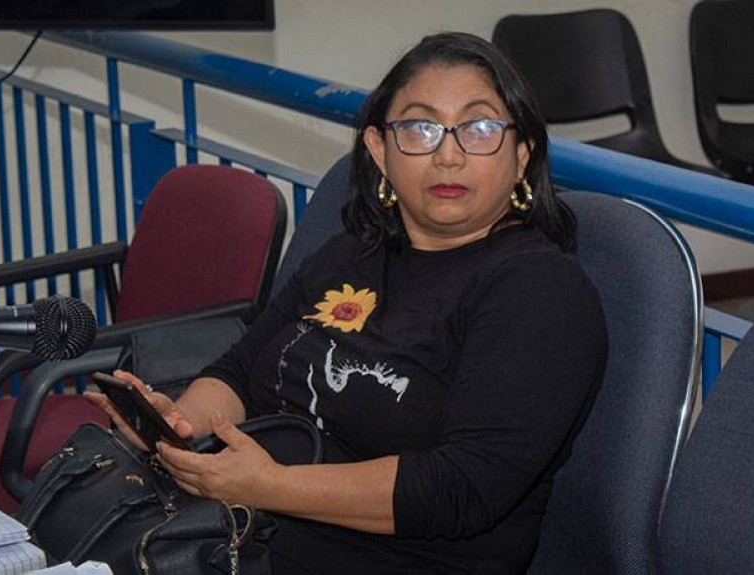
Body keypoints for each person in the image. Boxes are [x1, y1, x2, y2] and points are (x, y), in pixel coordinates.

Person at [87, 31, 607, 574]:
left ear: (522, 154)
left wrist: (270, 486)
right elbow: (241, 371)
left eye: (479, 129)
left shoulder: (540, 291)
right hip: (244, 534)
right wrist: (178, 424)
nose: (449, 155)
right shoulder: (349, 254)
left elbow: (460, 488)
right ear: (380, 150)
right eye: (421, 128)